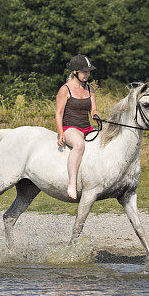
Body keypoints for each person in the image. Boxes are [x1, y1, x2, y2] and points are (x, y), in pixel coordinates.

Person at [56, 54, 100, 200]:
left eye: (88, 71)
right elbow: (59, 113)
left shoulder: (90, 89)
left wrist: (95, 114)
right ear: (75, 72)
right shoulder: (65, 89)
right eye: (84, 71)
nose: (88, 74)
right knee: (79, 145)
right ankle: (72, 183)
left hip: (86, 127)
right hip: (70, 128)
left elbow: (93, 109)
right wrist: (61, 133)